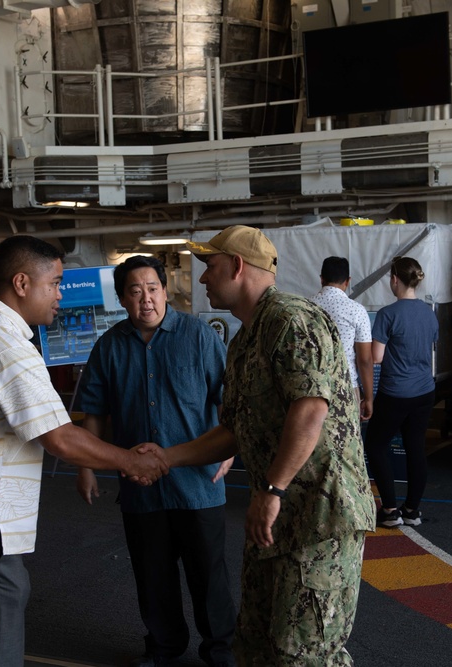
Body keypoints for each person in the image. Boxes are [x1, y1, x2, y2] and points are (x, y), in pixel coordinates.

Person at [0, 235, 168, 666]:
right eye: (56, 283)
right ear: (22, 283)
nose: (61, 294)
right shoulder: (8, 349)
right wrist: (133, 461)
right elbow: (60, 437)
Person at [141, 225, 375, 666]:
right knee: (254, 644)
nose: (204, 278)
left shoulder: (290, 319)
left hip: (318, 518)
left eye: (210, 267)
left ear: (237, 266)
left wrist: (271, 491)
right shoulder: (247, 336)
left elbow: (310, 409)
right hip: (277, 518)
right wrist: (166, 458)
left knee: (303, 654)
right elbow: (233, 431)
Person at [73, 255, 236, 667]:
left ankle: (221, 651)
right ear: (122, 299)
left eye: (152, 288)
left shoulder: (198, 336)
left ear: (165, 290)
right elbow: (94, 411)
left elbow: (229, 401)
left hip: (198, 484)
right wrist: (86, 466)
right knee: (152, 575)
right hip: (140, 489)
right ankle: (164, 648)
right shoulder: (109, 346)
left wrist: (230, 451)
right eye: (134, 291)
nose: (145, 299)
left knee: (209, 576)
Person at [364, 256, 439, 528]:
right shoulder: (429, 313)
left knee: (375, 444)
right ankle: (412, 510)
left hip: (395, 393)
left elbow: (377, 357)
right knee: (416, 447)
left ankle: (390, 510)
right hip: (424, 392)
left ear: (395, 279)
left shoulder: (388, 314)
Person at [310, 256, 374, 422]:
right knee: (347, 444)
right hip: (345, 386)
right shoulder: (357, 311)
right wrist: (368, 398)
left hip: (311, 388)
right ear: (348, 281)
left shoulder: (306, 307)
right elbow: (365, 360)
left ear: (321, 279)